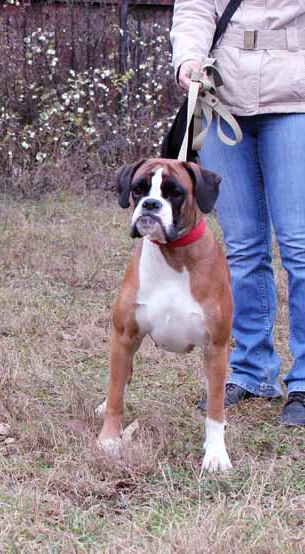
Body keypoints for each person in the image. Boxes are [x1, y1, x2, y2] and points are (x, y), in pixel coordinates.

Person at [171, 0, 305, 425]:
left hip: (296, 99)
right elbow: (195, 9)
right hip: (222, 97)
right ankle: (251, 371)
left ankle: (304, 381)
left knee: (300, 247)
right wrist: (188, 59)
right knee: (243, 247)